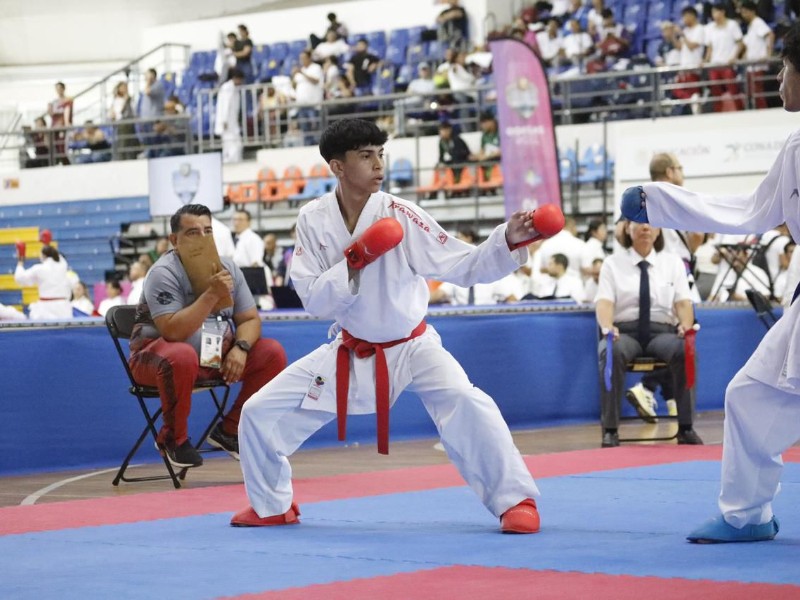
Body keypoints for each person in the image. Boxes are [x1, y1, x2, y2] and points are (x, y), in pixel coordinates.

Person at [230, 118, 562, 532]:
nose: (377, 165)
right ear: (337, 166)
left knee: (467, 402)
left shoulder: (401, 215)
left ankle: (516, 501)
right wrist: (354, 262)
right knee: (259, 411)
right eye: (365, 156)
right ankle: (271, 505)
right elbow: (314, 299)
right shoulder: (312, 219)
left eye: (380, 154)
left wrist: (508, 239)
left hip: (414, 346)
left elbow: (460, 265)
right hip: (350, 349)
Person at [618, 21, 800, 544]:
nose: (780, 79)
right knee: (748, 395)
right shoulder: (794, 148)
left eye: (786, 68)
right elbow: (750, 210)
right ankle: (748, 515)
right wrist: (659, 201)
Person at [128, 203, 288, 468]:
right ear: (174, 240)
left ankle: (231, 430)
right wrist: (212, 294)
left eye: (207, 231)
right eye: (192, 232)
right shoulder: (163, 272)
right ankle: (173, 439)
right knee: (180, 356)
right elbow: (173, 332)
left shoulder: (228, 268)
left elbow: (249, 320)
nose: (202, 238)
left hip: (212, 355)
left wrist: (241, 348)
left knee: (272, 353)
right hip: (154, 358)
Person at [595, 220, 702, 448]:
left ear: (659, 230)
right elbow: (604, 302)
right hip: (625, 332)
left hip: (661, 332)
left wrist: (685, 324)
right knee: (610, 352)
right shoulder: (612, 264)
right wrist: (607, 326)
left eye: (651, 224)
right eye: (639, 223)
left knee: (687, 350)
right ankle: (610, 430)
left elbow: (683, 302)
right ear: (627, 228)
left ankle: (686, 427)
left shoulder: (672, 263)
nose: (645, 228)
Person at [14, 245, 77, 320]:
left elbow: (20, 278)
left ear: (43, 255)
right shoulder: (63, 265)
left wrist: (20, 260)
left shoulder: (39, 269)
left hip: (46, 309)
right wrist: (46, 244)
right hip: (64, 308)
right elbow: (58, 256)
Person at [740, 0, 775, 109]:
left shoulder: (758, 22)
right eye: (742, 12)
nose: (743, 15)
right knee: (753, 93)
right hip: (752, 65)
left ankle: (762, 111)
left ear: (752, 11)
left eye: (745, 12)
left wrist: (768, 54)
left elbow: (770, 35)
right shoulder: (751, 26)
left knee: (757, 92)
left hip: (758, 65)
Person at [214, 68, 245, 164]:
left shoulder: (235, 89)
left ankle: (235, 161)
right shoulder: (227, 88)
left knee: (236, 144)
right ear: (236, 78)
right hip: (226, 122)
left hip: (232, 122)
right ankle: (229, 162)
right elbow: (224, 105)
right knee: (229, 144)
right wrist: (224, 121)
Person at [110, 81, 137, 160]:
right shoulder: (117, 100)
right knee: (122, 144)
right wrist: (125, 100)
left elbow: (134, 111)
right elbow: (119, 112)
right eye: (123, 87)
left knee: (131, 144)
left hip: (130, 124)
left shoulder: (130, 99)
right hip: (122, 125)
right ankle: (122, 159)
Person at [47, 81, 72, 164]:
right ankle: (58, 163)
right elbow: (52, 114)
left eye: (60, 88)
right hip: (55, 127)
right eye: (57, 89)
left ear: (63, 89)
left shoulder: (67, 100)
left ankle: (66, 164)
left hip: (63, 127)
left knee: (62, 147)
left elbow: (67, 115)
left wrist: (66, 124)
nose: (58, 90)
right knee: (56, 147)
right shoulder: (54, 102)